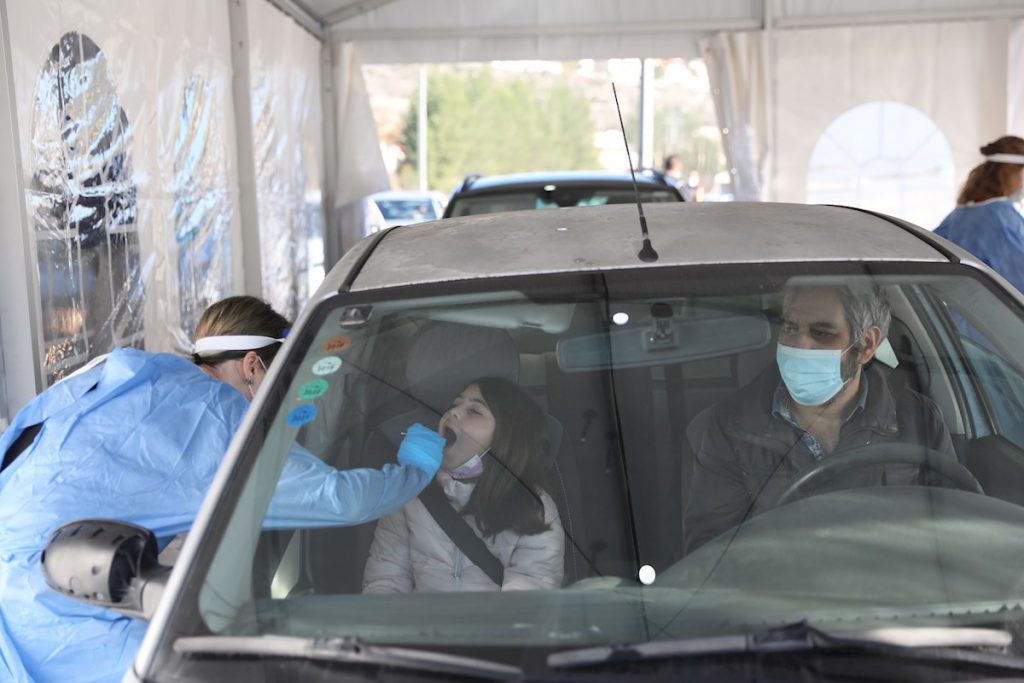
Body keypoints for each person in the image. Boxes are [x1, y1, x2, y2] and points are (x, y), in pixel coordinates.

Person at [0, 295, 444, 683]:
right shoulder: (217, 418)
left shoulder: (138, 371)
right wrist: (415, 469)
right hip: (62, 604)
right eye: (284, 383)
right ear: (254, 366)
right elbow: (340, 500)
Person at [682, 283, 957, 553]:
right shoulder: (732, 426)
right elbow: (710, 556)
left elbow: (956, 537)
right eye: (790, 327)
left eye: (822, 333)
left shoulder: (918, 421)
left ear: (866, 345)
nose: (799, 345)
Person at [363, 378, 564, 593]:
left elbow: (531, 596)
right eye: (454, 405)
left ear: (505, 440)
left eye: (474, 411)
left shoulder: (533, 507)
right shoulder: (410, 493)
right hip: (422, 626)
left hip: (495, 625)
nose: (454, 413)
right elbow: (386, 580)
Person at [935, 136, 1024, 293]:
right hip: (996, 312)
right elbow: (1018, 275)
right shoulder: (999, 217)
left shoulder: (960, 214)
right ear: (1012, 170)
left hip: (962, 310)